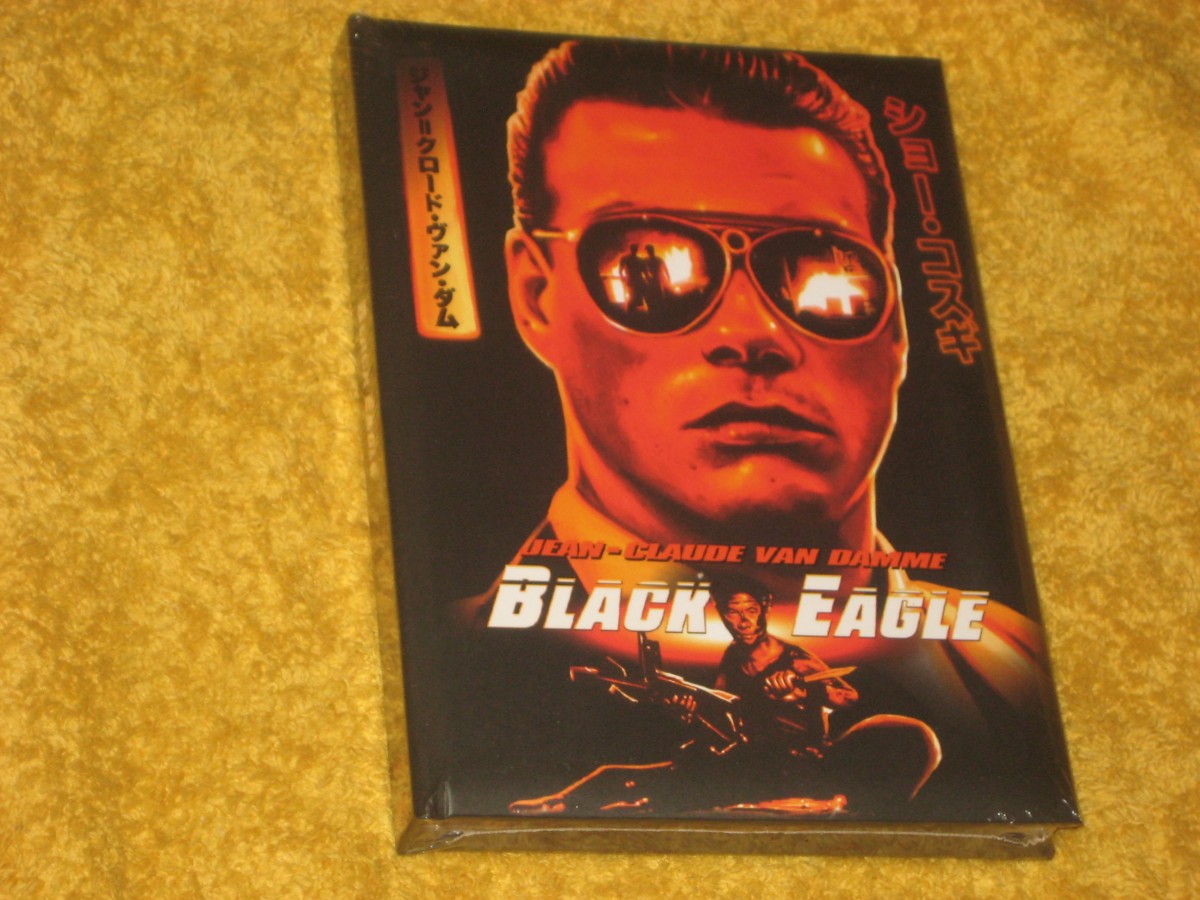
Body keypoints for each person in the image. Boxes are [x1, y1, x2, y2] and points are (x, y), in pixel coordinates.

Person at [462, 39, 1063, 816]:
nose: (753, 333)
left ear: (897, 325)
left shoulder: (1023, 665)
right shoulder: (463, 669)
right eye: (650, 266)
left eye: (823, 273)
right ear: (535, 297)